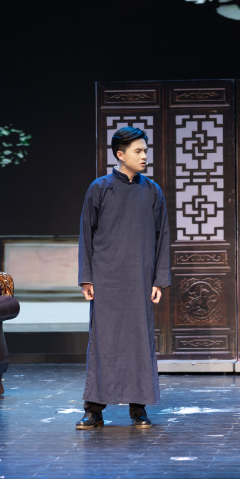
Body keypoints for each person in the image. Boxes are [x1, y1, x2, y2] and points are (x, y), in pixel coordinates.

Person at [75, 126, 171, 429]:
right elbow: (86, 235)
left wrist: (159, 279)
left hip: (139, 278)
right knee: (103, 342)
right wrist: (87, 278)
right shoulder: (100, 188)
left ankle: (138, 408)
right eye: (137, 151)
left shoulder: (152, 191)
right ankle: (94, 409)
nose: (144, 156)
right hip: (106, 278)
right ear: (120, 154)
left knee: (138, 341)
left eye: (145, 151)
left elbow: (162, 237)